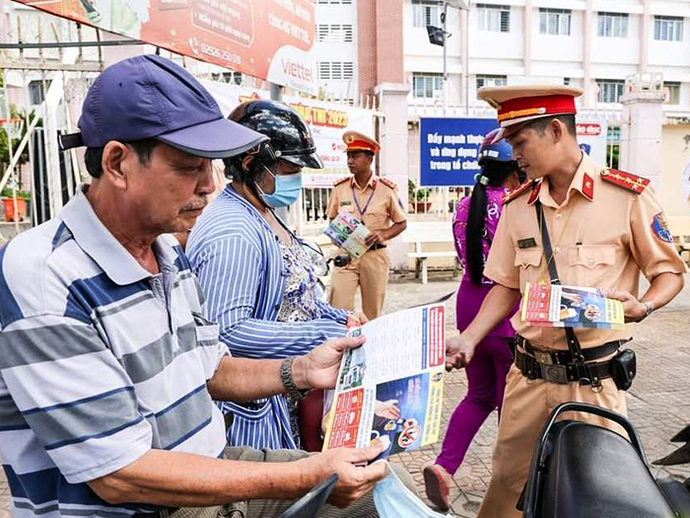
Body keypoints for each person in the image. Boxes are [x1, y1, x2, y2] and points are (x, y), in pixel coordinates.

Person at [0, 54, 394, 518]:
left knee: (382, 489)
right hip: (154, 500)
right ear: (118, 163)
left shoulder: (166, 253)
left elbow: (209, 371)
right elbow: (120, 475)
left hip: (211, 466)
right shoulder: (47, 279)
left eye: (212, 165)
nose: (210, 184)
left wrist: (303, 371)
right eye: (190, 166)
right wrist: (308, 476)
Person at [445, 84, 687, 518]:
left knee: (593, 495)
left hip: (593, 382)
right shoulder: (520, 205)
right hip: (528, 379)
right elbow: (505, 285)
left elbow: (669, 272)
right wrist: (469, 337)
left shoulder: (626, 196)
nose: (515, 156)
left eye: (520, 142)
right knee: (505, 489)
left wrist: (644, 305)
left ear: (556, 130)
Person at [186, 100, 363, 451]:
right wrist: (323, 332)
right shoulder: (232, 232)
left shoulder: (264, 212)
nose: (296, 178)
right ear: (251, 164)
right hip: (249, 408)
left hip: (282, 396)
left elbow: (295, 300)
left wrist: (342, 319)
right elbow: (227, 330)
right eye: (288, 168)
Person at [423, 129, 522, 511]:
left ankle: (444, 467)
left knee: (478, 395)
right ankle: (513, 486)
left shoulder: (467, 204)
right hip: (506, 308)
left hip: (469, 306)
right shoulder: (519, 205)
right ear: (516, 170)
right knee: (511, 405)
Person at [326, 131, 407, 320]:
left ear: (369, 158)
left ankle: (369, 348)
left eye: (355, 156)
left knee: (372, 315)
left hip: (375, 257)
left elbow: (401, 223)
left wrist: (384, 234)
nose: (350, 161)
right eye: (348, 156)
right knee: (338, 310)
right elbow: (331, 220)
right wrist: (339, 237)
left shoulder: (387, 190)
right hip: (347, 256)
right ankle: (341, 347)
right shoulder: (340, 188)